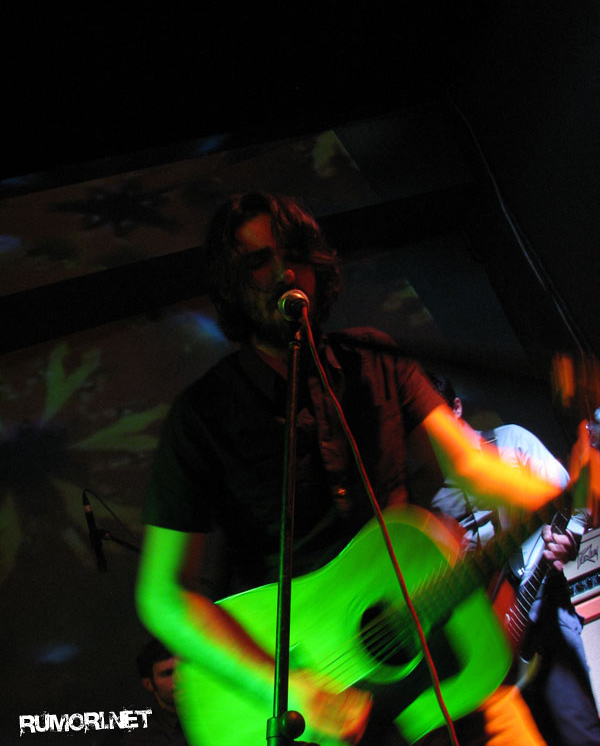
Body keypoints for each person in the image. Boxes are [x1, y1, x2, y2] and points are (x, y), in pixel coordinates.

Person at [135, 192, 575, 746]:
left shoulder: (376, 360)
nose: (283, 271)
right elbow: (162, 595)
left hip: (440, 673)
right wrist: (285, 689)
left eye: (294, 253)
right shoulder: (204, 416)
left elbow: (471, 466)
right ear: (232, 285)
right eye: (259, 261)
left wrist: (570, 487)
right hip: (312, 705)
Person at [427, 373, 600, 746]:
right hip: (491, 643)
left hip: (544, 604)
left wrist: (570, 541)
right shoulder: (433, 498)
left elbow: (572, 505)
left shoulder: (511, 442)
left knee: (578, 729)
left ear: (456, 408)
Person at [122, 637, 188, 745]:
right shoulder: (141, 740)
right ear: (148, 684)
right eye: (168, 673)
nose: (180, 679)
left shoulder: (216, 717)